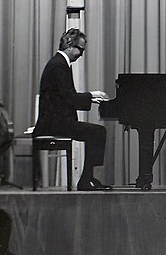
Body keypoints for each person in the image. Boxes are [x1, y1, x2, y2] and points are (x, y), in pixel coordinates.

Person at [33, 28, 111, 191]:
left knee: (96, 132)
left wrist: (90, 98)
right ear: (69, 46)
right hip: (54, 124)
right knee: (98, 132)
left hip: (55, 121)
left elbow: (66, 97)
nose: (81, 54)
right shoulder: (59, 66)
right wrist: (91, 95)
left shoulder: (58, 63)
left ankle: (87, 178)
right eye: (80, 49)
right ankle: (86, 180)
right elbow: (70, 97)